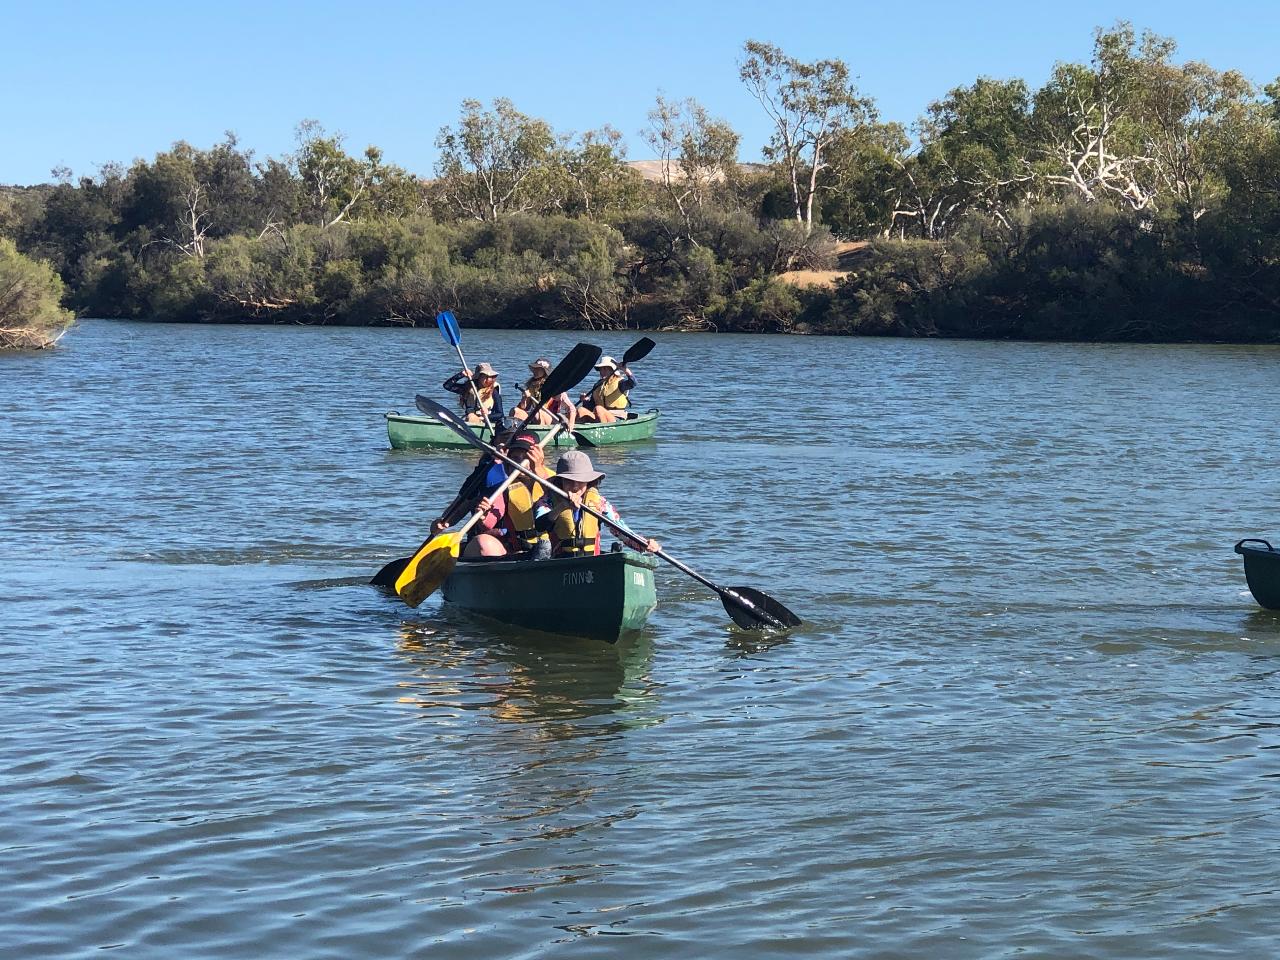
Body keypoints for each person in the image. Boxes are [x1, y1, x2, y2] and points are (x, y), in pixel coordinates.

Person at [537, 450, 660, 558]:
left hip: (591, 562)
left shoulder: (599, 502)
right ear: (560, 481)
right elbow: (540, 525)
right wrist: (562, 506)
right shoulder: (547, 500)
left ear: (588, 481)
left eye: (580, 481)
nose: (575, 486)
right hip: (559, 563)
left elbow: (621, 530)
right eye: (569, 481)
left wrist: (644, 544)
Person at [512, 358, 576, 432]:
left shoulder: (555, 388)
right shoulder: (531, 386)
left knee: (537, 414)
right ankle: (513, 433)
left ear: (545, 372)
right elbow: (524, 408)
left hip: (552, 419)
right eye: (535, 368)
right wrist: (524, 398)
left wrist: (571, 425)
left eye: (538, 369)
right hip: (535, 416)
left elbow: (572, 409)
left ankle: (537, 433)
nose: (535, 371)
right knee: (515, 411)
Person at [576, 356, 635, 424]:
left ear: (612, 370)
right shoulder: (597, 385)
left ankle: (604, 430)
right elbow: (591, 407)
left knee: (599, 409)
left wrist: (625, 370)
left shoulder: (620, 383)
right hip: (599, 415)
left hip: (616, 417)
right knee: (581, 410)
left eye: (605, 369)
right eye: (601, 369)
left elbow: (633, 383)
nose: (602, 371)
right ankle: (575, 430)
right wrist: (585, 401)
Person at [443, 361, 503, 428]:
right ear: (478, 377)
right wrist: (461, 375)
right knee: (471, 416)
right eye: (484, 376)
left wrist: (486, 416)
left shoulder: (494, 391)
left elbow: (500, 414)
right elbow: (447, 386)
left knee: (471, 416)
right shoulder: (468, 388)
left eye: (490, 377)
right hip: (469, 419)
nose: (488, 380)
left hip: (486, 422)